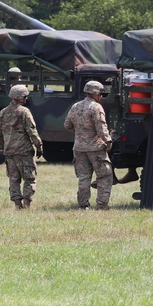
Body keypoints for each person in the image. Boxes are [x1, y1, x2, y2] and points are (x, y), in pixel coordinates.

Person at [64, 80, 113, 209]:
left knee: (84, 177)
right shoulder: (96, 107)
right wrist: (108, 141)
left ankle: (83, 205)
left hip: (79, 148)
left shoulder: (75, 106)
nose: (101, 97)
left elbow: (67, 125)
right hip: (95, 147)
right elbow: (101, 127)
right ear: (95, 93)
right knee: (105, 175)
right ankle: (102, 204)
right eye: (100, 93)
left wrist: (80, 132)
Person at [0, 84, 44, 210]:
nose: (26, 99)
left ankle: (18, 205)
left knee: (13, 179)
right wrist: (39, 146)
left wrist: (3, 148)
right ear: (19, 97)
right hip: (23, 151)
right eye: (25, 96)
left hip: (9, 152)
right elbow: (32, 131)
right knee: (29, 178)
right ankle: (27, 204)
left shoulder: (3, 112)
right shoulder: (24, 112)